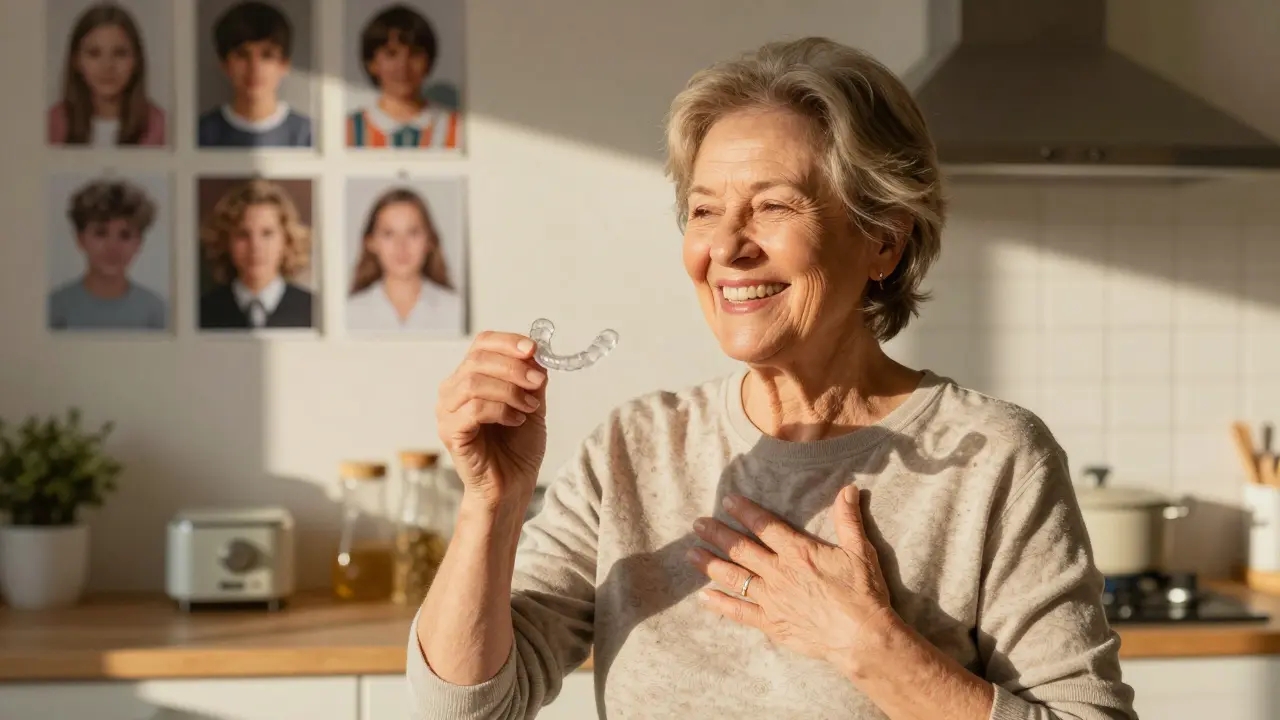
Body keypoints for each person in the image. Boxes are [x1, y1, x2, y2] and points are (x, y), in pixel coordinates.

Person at [408, 37, 1137, 719]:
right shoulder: (635, 447)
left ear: (883, 239)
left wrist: (869, 646)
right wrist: (491, 503)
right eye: (704, 210)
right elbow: (462, 709)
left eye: (773, 206)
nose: (727, 246)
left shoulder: (994, 458)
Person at [49, 177, 166, 330]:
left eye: (125, 235)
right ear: (81, 239)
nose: (113, 247)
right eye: (100, 233)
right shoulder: (55, 308)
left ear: (138, 243)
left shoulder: (155, 312)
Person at [198, 177, 313, 329]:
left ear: (287, 240)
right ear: (226, 241)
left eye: (267, 233)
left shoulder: (313, 310)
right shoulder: (201, 312)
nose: (255, 246)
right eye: (243, 234)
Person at [48, 2, 166, 146]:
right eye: (94, 53)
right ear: (76, 61)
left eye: (120, 53)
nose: (107, 66)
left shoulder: (161, 127)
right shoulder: (50, 124)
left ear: (136, 61)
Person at [198, 0, 312, 148]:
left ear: (284, 64)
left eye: (267, 55)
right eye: (242, 55)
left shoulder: (307, 135)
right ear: (224, 64)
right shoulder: (202, 134)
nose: (254, 68)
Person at [347, 187, 463, 332]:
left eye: (412, 233)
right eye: (389, 234)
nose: (401, 246)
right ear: (371, 242)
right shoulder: (349, 314)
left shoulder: (456, 311)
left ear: (429, 240)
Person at [346, 4, 459, 149]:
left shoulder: (456, 130)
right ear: (372, 63)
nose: (403, 66)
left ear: (428, 62)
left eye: (414, 54)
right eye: (391, 54)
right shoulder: (348, 132)